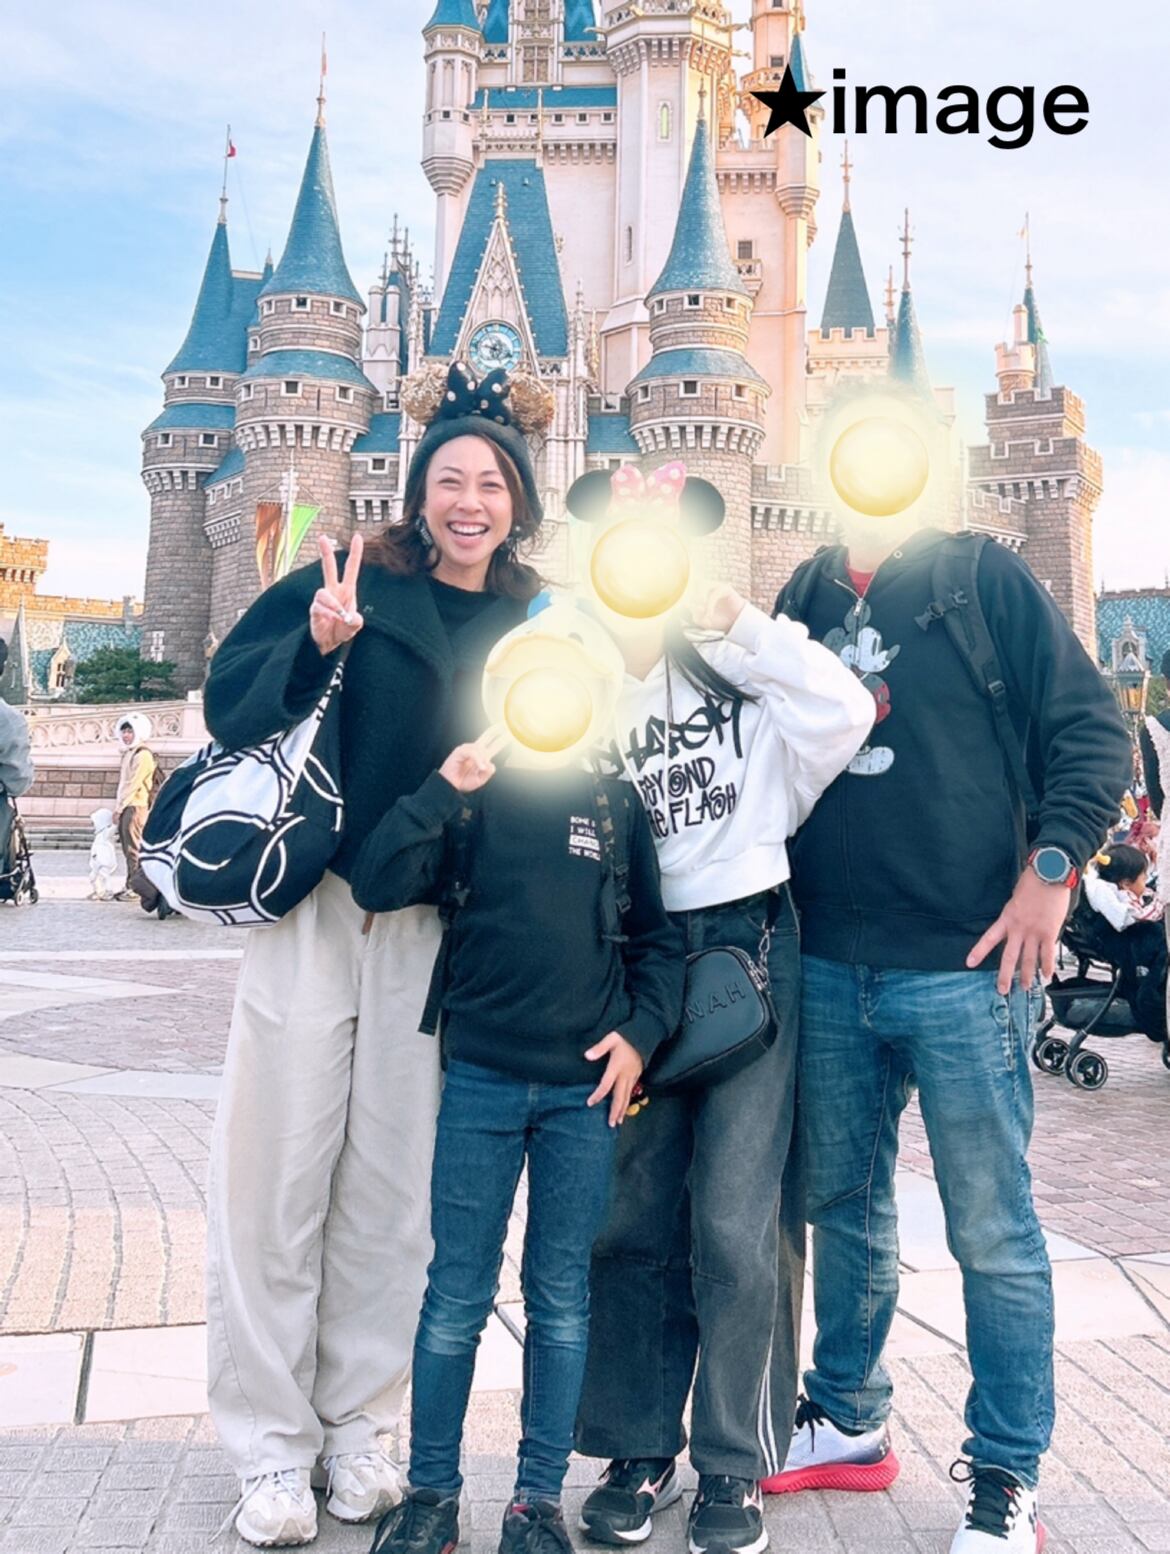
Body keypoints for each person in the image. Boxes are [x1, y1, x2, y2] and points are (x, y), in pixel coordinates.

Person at [202, 362, 551, 1549]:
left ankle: (358, 1428)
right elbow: (231, 706)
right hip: (318, 912)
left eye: (491, 482)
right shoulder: (349, 577)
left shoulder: (539, 622)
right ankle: (269, 1446)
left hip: (435, 934)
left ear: (520, 499)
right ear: (417, 491)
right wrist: (314, 647)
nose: (469, 501)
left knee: (393, 1203)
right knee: (275, 1185)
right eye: (449, 479)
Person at [770, 492, 1131, 1552]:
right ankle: (848, 1416)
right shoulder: (805, 590)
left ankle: (1008, 1468)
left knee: (991, 1226)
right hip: (829, 959)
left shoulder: (981, 576)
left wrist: (1052, 871)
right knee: (845, 1209)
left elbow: (1092, 730)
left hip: (970, 964)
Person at [571, 463, 875, 1554]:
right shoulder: (583, 676)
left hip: (749, 943)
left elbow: (845, 708)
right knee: (632, 1214)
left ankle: (736, 1459)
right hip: (635, 959)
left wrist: (734, 617)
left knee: (739, 1221)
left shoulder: (746, 668)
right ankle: (636, 1445)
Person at [351, 713, 685, 1554]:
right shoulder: (473, 797)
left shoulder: (614, 804)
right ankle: (431, 1497)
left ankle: (535, 1504)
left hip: (584, 1095)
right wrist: (442, 788)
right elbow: (376, 881)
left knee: (560, 1298)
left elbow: (659, 943)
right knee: (455, 1296)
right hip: (480, 1081)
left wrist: (641, 1036)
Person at [112, 713, 157, 902]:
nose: (126, 735)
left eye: (130, 731)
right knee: (127, 849)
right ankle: (130, 883)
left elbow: (133, 784)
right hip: (128, 806)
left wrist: (120, 808)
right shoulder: (129, 753)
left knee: (134, 849)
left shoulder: (143, 754)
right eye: (124, 731)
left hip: (135, 807)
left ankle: (137, 888)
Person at [88, 807, 119, 901]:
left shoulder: (106, 833)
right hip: (97, 860)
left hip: (104, 861)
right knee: (93, 877)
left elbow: (113, 829)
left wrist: (115, 822)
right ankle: (98, 891)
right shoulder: (99, 834)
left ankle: (107, 891)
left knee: (103, 877)